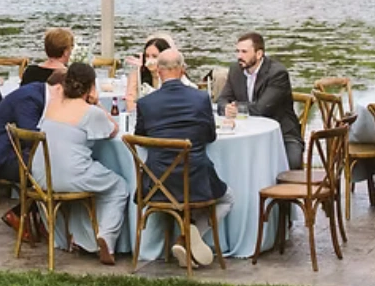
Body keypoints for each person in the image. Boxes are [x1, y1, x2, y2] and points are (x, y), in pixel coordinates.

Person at [135, 48, 233, 269]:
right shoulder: (200, 98)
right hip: (196, 179)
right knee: (227, 199)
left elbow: (141, 138)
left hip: (157, 182)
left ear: (158, 71)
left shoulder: (146, 103)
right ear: (181, 70)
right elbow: (210, 136)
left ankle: (184, 240)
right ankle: (189, 237)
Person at [39, 60, 128, 264]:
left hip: (42, 176)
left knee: (89, 183)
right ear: (91, 87)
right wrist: (96, 103)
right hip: (70, 176)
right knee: (118, 186)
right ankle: (106, 237)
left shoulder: (52, 105)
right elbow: (113, 130)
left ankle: (81, 239)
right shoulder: (90, 112)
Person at [0, 70, 66, 219]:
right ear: (58, 88)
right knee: (55, 171)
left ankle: (37, 218)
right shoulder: (29, 98)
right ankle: (22, 216)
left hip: (12, 149)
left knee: (59, 167)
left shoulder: (38, 92)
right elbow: (32, 138)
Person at [218, 31, 304, 170]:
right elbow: (222, 99)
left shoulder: (277, 73)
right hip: (244, 132)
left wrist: (237, 108)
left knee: (291, 165)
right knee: (226, 160)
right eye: (237, 51)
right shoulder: (235, 70)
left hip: (282, 134)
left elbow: (262, 109)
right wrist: (226, 108)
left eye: (244, 52)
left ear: (259, 54)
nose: (239, 56)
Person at [124, 35, 178, 110]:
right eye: (147, 56)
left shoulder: (171, 75)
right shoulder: (137, 74)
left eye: (154, 56)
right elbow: (130, 101)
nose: (150, 60)